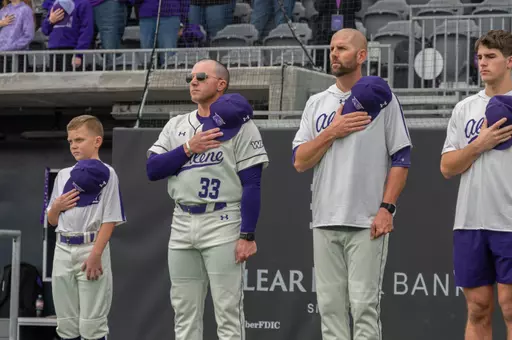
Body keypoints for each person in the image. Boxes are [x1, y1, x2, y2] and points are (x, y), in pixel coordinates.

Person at [292, 28, 412, 340]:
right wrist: (333, 130)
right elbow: (300, 161)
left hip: (366, 220)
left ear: (361, 56)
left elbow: (401, 157)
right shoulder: (317, 103)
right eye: (331, 48)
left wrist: (387, 208)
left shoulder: (383, 98)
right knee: (330, 308)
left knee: (363, 308)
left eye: (342, 48)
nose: (334, 53)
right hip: (325, 217)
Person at [440, 30, 512, 340]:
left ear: (510, 61)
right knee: (477, 307)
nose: (483, 64)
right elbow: (447, 167)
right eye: (479, 57)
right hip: (469, 222)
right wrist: (480, 144)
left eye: (491, 57)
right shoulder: (464, 109)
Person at [146, 59, 269, 340]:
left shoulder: (240, 125)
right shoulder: (177, 125)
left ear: (221, 84)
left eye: (201, 77)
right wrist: (189, 148)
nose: (193, 81)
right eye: (190, 77)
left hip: (222, 219)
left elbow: (252, 183)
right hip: (182, 220)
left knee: (228, 311)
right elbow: (153, 170)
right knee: (184, 310)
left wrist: (247, 234)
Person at [47, 115, 126, 340]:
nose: (74, 145)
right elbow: (52, 220)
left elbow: (110, 219)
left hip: (90, 246)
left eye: (79, 140)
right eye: (70, 141)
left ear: (97, 141)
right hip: (63, 247)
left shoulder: (108, 174)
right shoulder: (63, 175)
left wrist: (96, 254)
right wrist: (57, 206)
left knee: (92, 324)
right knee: (66, 324)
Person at [41, 0, 94, 71]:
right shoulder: (54, 3)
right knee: (54, 81)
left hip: (72, 50)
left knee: (71, 81)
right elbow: (45, 30)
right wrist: (50, 21)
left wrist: (78, 54)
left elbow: (87, 31)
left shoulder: (83, 3)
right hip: (53, 49)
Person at [0, 0, 35, 72]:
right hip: (1, 54)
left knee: (17, 82)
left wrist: (12, 46)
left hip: (17, 55)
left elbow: (28, 35)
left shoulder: (26, 10)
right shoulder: (3, 10)